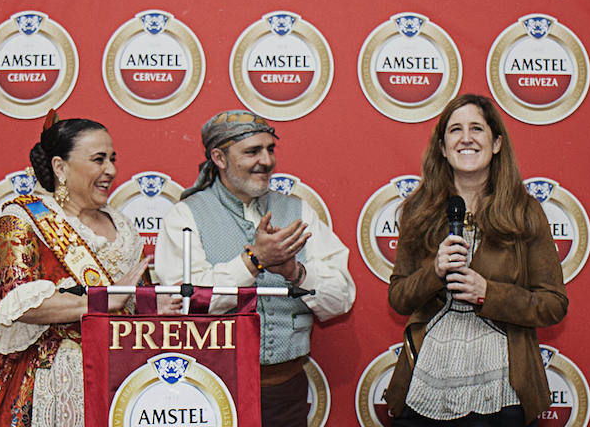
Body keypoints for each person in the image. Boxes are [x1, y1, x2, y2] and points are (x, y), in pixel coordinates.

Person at [0, 112, 179, 427]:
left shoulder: (122, 226)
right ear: (60, 167)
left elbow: (129, 298)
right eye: (98, 159)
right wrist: (100, 300)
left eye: (112, 159)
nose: (110, 170)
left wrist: (151, 305)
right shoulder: (23, 219)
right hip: (44, 377)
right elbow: (18, 302)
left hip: (117, 374)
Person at [154, 109, 356, 426]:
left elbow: (341, 299)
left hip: (285, 394)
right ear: (219, 158)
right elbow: (184, 305)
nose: (266, 160)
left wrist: (294, 273)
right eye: (252, 151)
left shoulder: (298, 210)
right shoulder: (185, 216)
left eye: (270, 149)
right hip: (209, 391)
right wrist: (254, 260)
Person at [384, 94, 568, 426]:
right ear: (442, 147)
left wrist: (488, 293)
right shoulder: (418, 209)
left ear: (496, 143)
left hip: (501, 389)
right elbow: (398, 298)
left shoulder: (525, 211)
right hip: (428, 380)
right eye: (455, 130)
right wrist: (434, 271)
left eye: (476, 129)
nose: (466, 138)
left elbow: (553, 304)